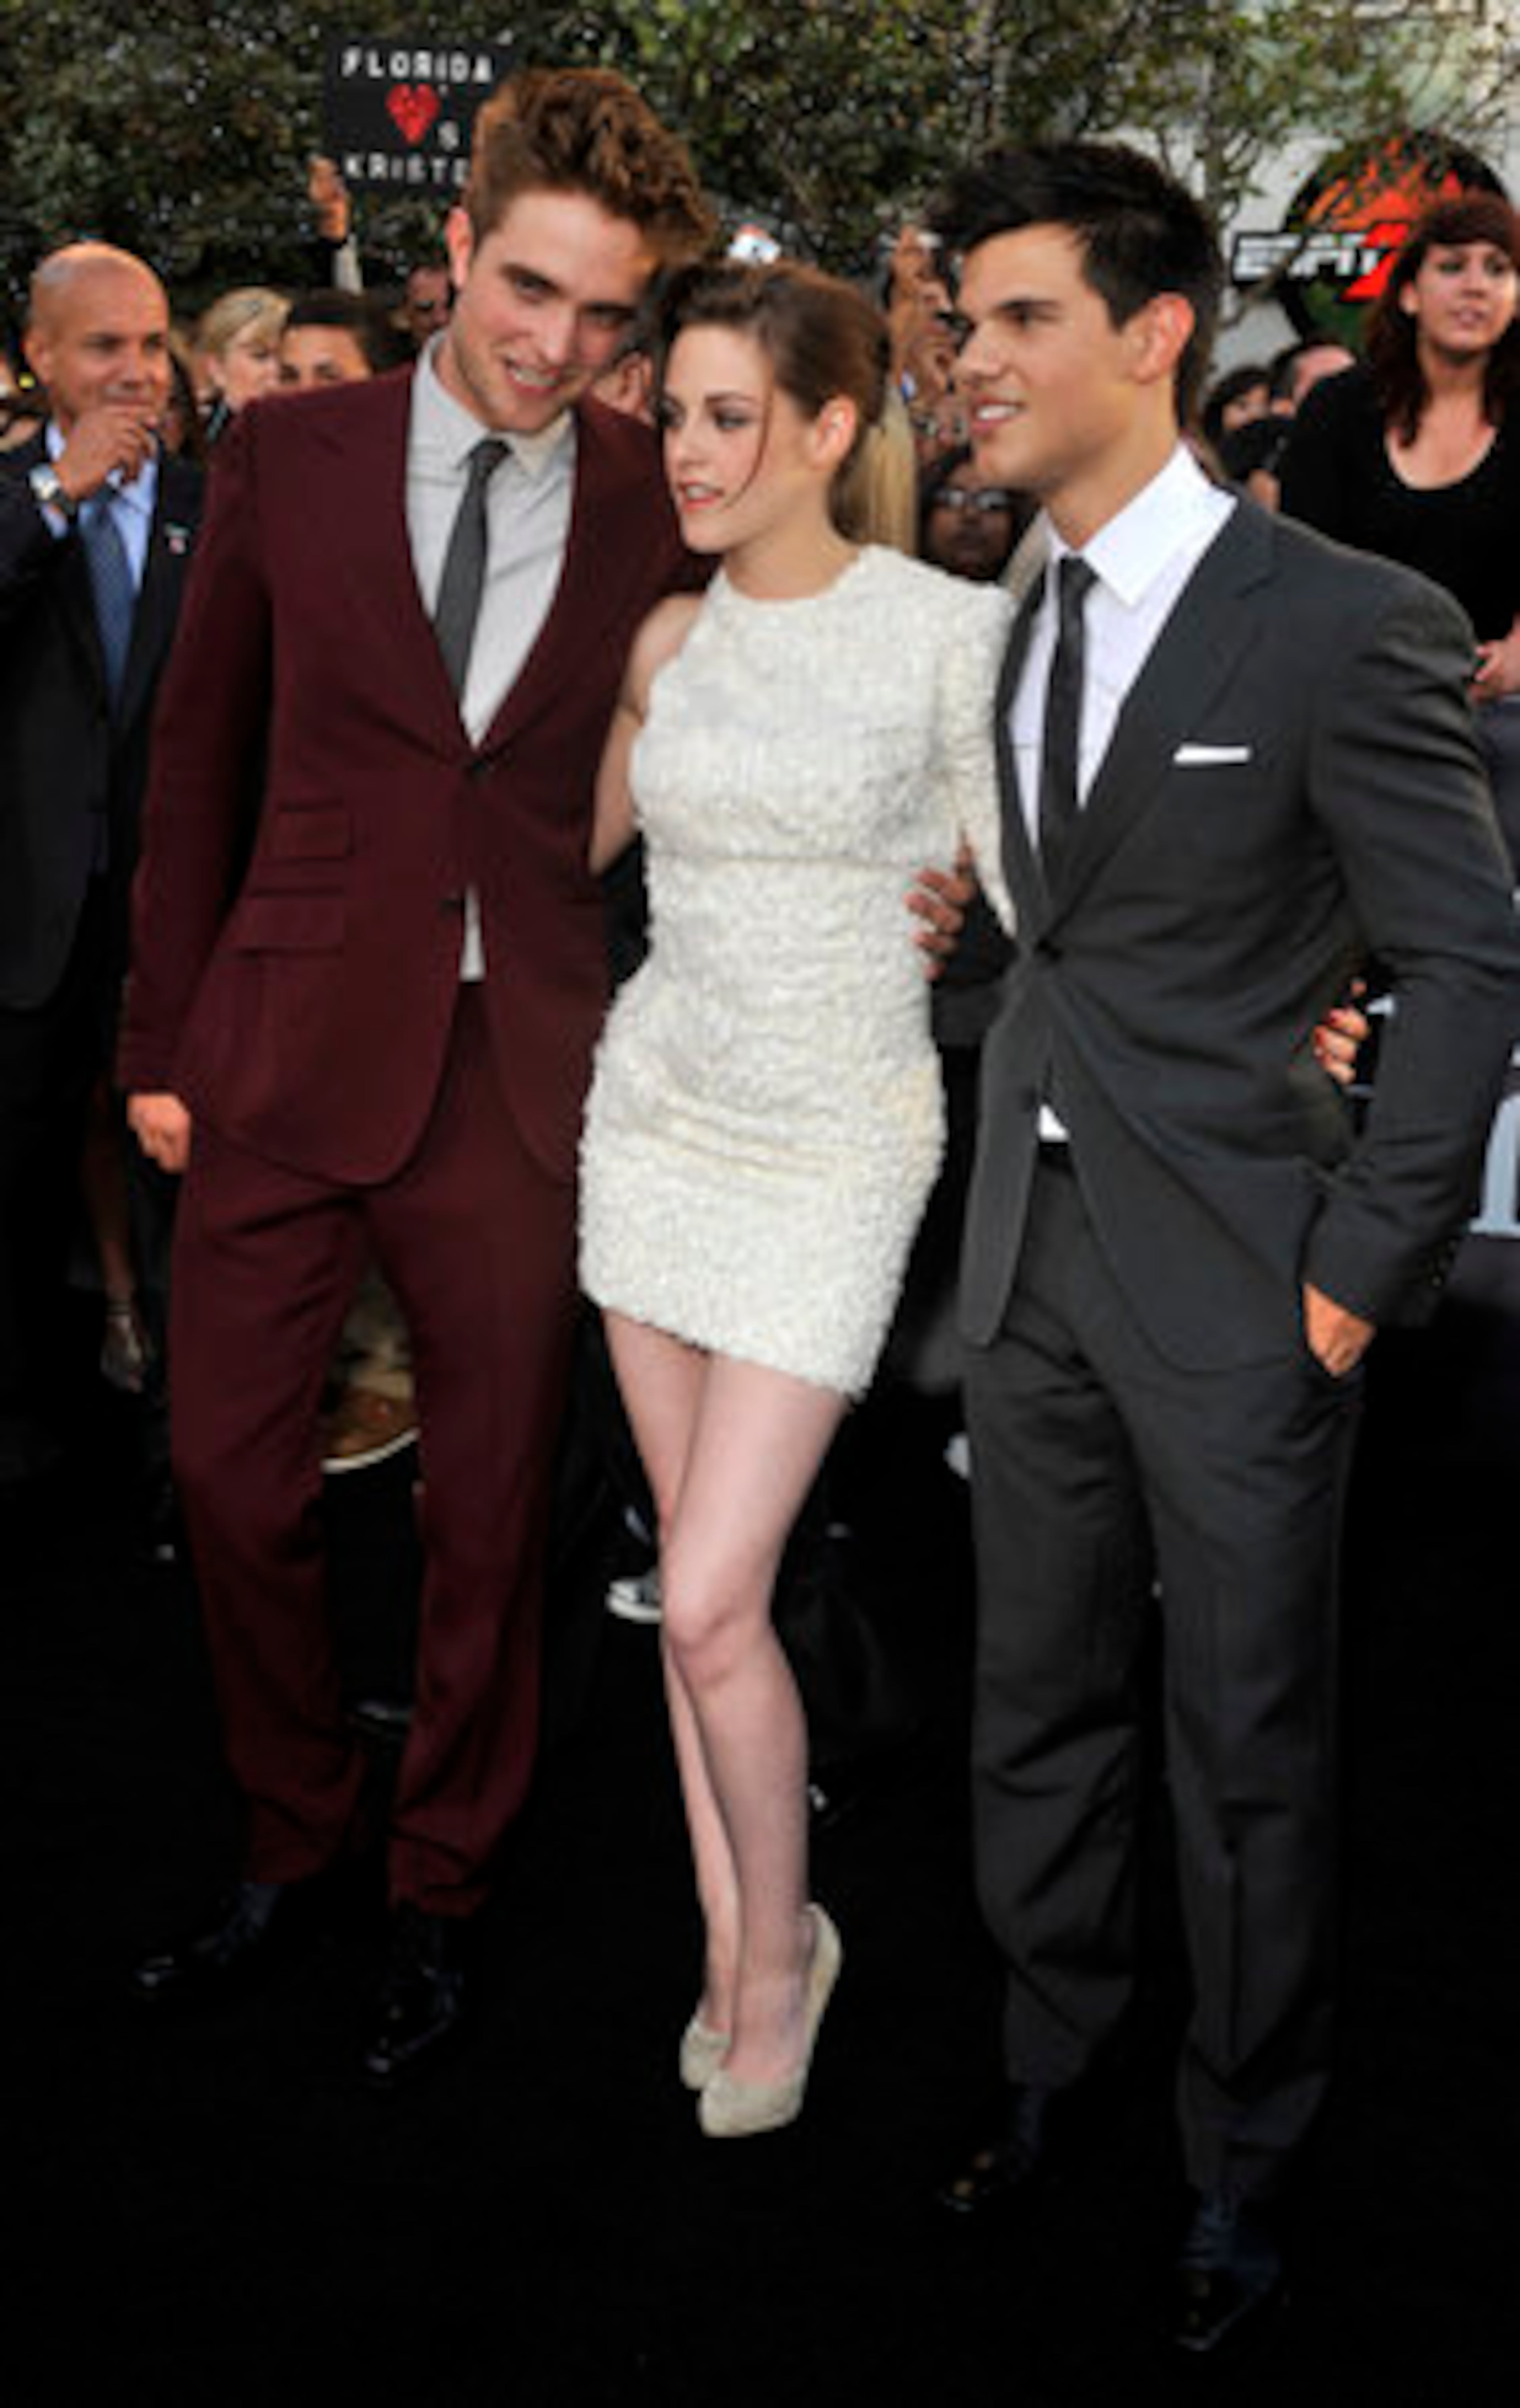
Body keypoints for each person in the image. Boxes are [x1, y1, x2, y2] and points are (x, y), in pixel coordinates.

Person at [928, 140, 1520, 2354]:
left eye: (1016, 319)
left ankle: (1249, 2149)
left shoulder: (1349, 616)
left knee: (1245, 1740)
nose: (970, 359)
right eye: (965, 320)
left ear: (1157, 332)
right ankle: (1054, 2056)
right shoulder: (1022, 603)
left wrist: (1374, 1258)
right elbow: (1068, 933)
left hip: (1253, 1276)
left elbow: (1468, 959)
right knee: (1033, 1704)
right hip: (1036, 1262)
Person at [118, 67, 714, 2086]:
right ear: (458, 246)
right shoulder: (290, 449)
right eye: (533, 290)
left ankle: (443, 1877)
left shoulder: (651, 495)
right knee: (226, 1474)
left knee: (486, 1516)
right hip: (281, 1039)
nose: (558, 347)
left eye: (605, 316)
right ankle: (296, 1829)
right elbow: (195, 758)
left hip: (516, 1065)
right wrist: (157, 1038)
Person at [580, 258, 1014, 2139]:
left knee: (705, 1595)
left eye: (727, 413)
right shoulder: (666, 641)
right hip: (656, 1114)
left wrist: (973, 928)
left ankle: (786, 1955)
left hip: (836, 1140)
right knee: (698, 1587)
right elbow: (542, 845)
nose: (686, 446)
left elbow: (1040, 896)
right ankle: (733, 1925)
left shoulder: (944, 634)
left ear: (831, 432)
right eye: (672, 409)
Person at [0, 242, 201, 1497]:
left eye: (152, 342)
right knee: (17, 1207)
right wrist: (57, 496)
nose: (136, 372)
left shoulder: (213, 506)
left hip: (169, 928)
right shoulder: (12, 499)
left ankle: (184, 1453)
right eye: (102, 347)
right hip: (22, 927)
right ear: (38, 357)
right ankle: (22, 1438)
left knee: (183, 1205)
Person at [1279, 192, 1520, 869]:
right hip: (1359, 701)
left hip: (1502, 711)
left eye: (1498, 268)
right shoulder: (1338, 409)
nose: (1476, 285)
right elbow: (1301, 570)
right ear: (1410, 292)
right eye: (1453, 266)